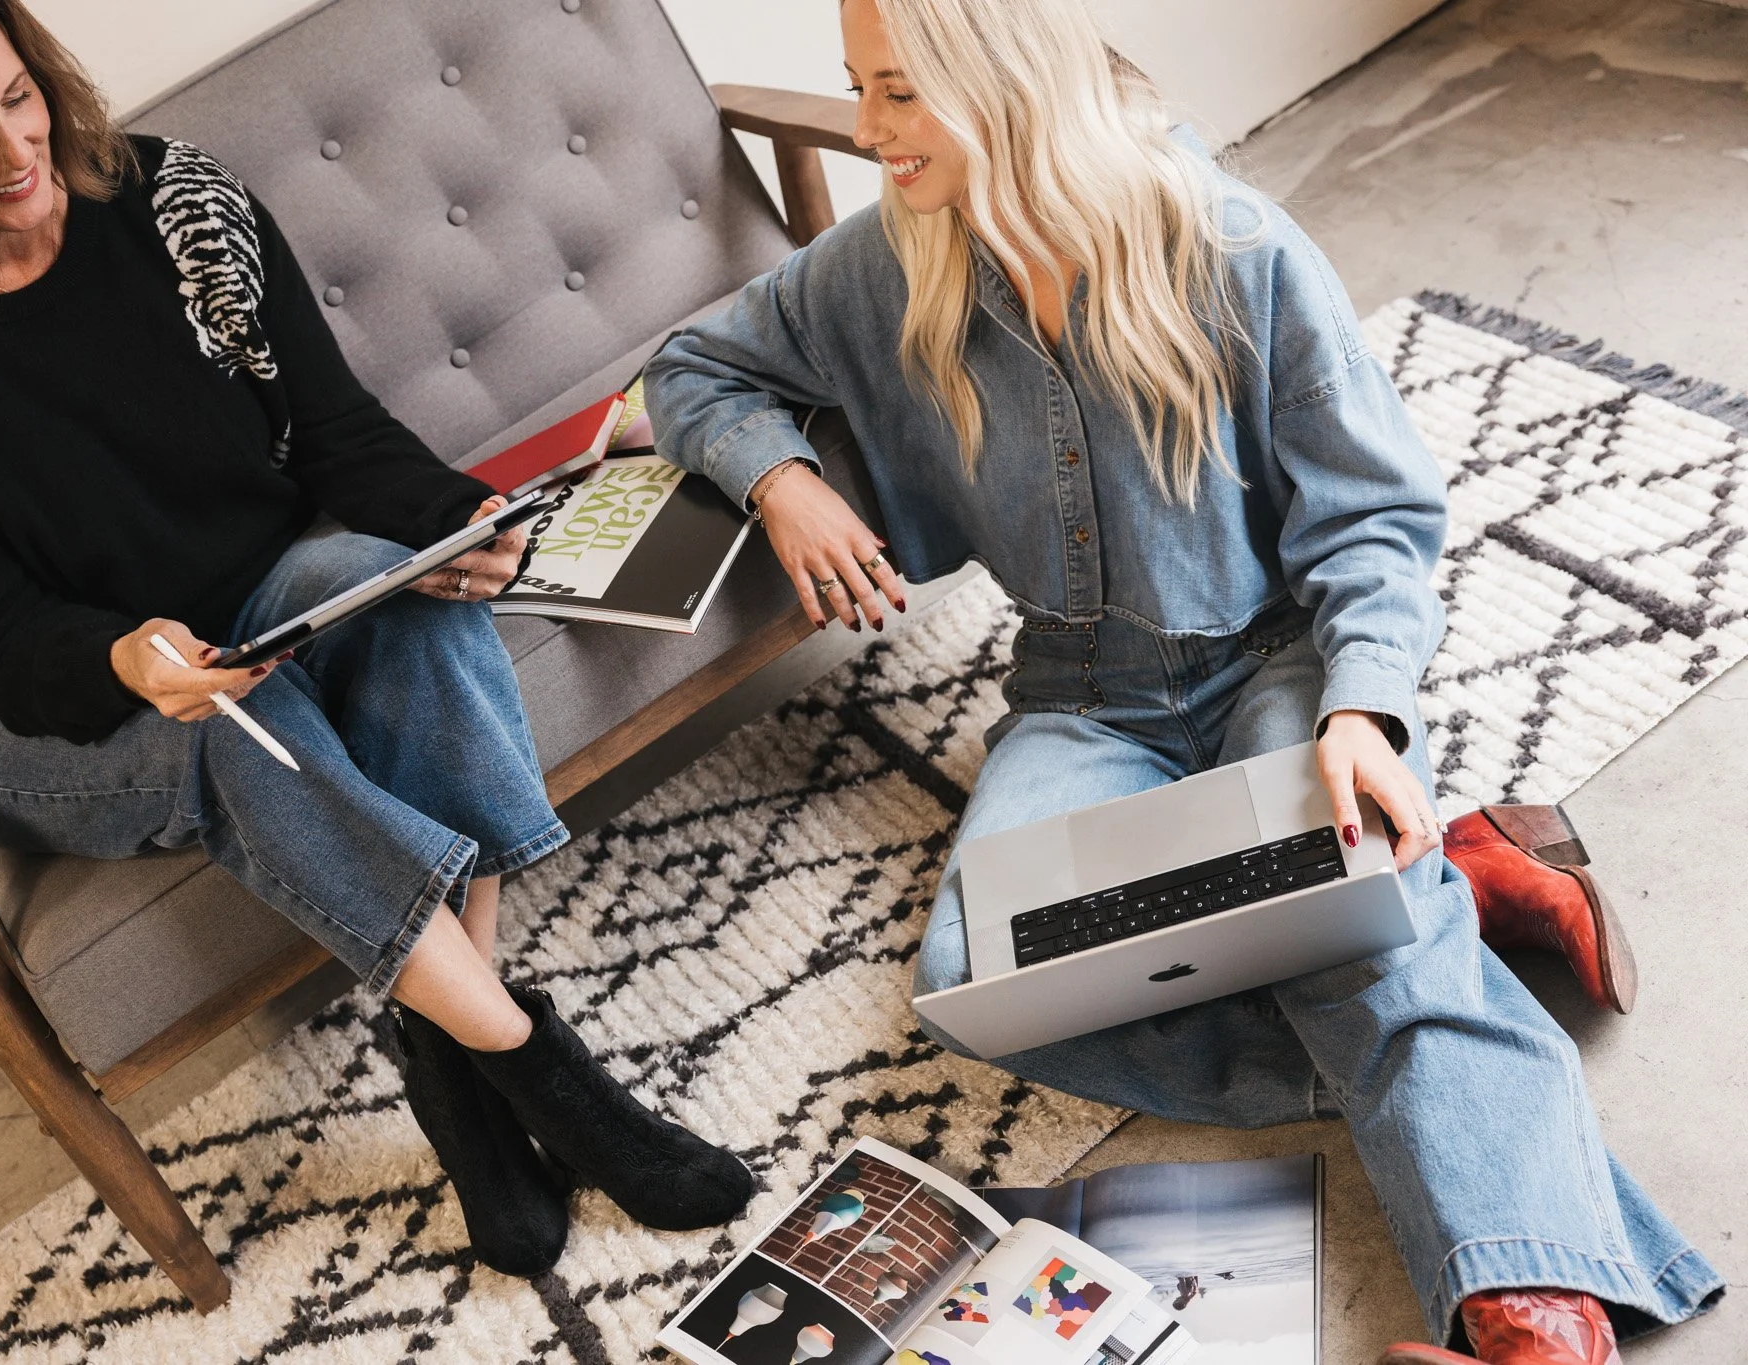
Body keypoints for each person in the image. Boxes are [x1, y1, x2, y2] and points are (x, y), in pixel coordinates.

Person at [645, 1, 1722, 1361]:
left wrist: (1361, 708)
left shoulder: (1232, 245)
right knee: (987, 979)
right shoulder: (883, 264)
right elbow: (690, 367)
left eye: (899, 94)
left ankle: (1533, 1320)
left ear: (1003, 82)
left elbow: (1377, 520)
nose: (865, 131)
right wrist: (781, 478)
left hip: (1284, 657)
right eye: (857, 89)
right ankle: (1455, 887)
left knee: (1342, 941)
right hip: (1080, 692)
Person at [0, 0, 751, 1279]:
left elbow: (335, 432)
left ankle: (458, 1085)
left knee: (396, 586)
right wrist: (128, 660)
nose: (14, 149)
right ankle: (551, 1083)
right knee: (255, 733)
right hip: (16, 713)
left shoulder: (175, 204)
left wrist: (449, 523)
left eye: (17, 96)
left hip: (257, 604)